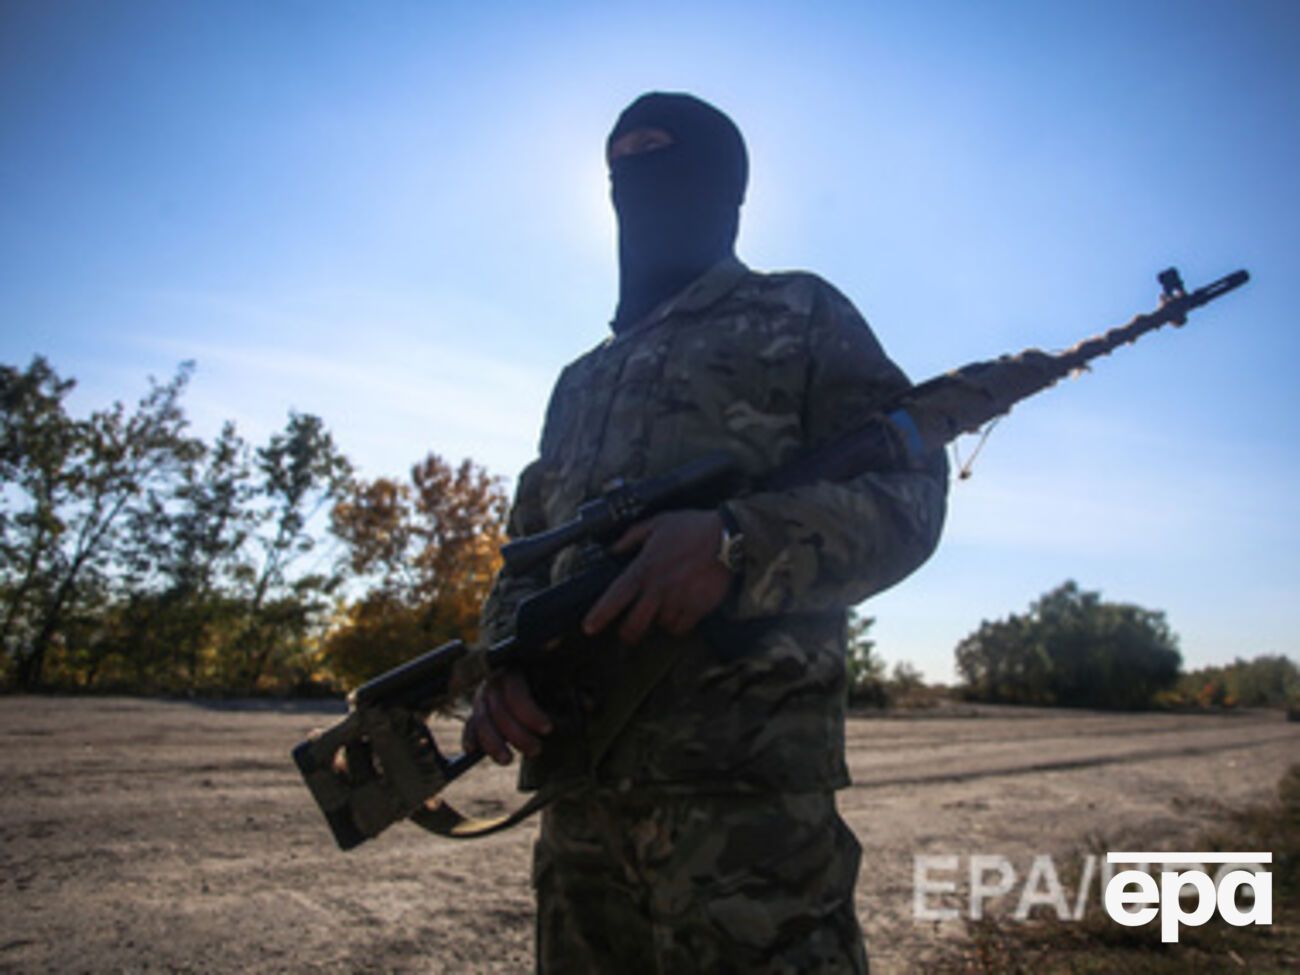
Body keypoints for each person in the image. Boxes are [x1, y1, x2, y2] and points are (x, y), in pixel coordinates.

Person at [463, 91, 948, 973]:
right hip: (579, 832)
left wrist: (736, 544)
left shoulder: (801, 314)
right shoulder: (582, 381)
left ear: (724, 188)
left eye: (661, 158)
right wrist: (501, 667)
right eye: (620, 167)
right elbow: (523, 554)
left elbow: (910, 496)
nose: (636, 184)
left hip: (749, 825)